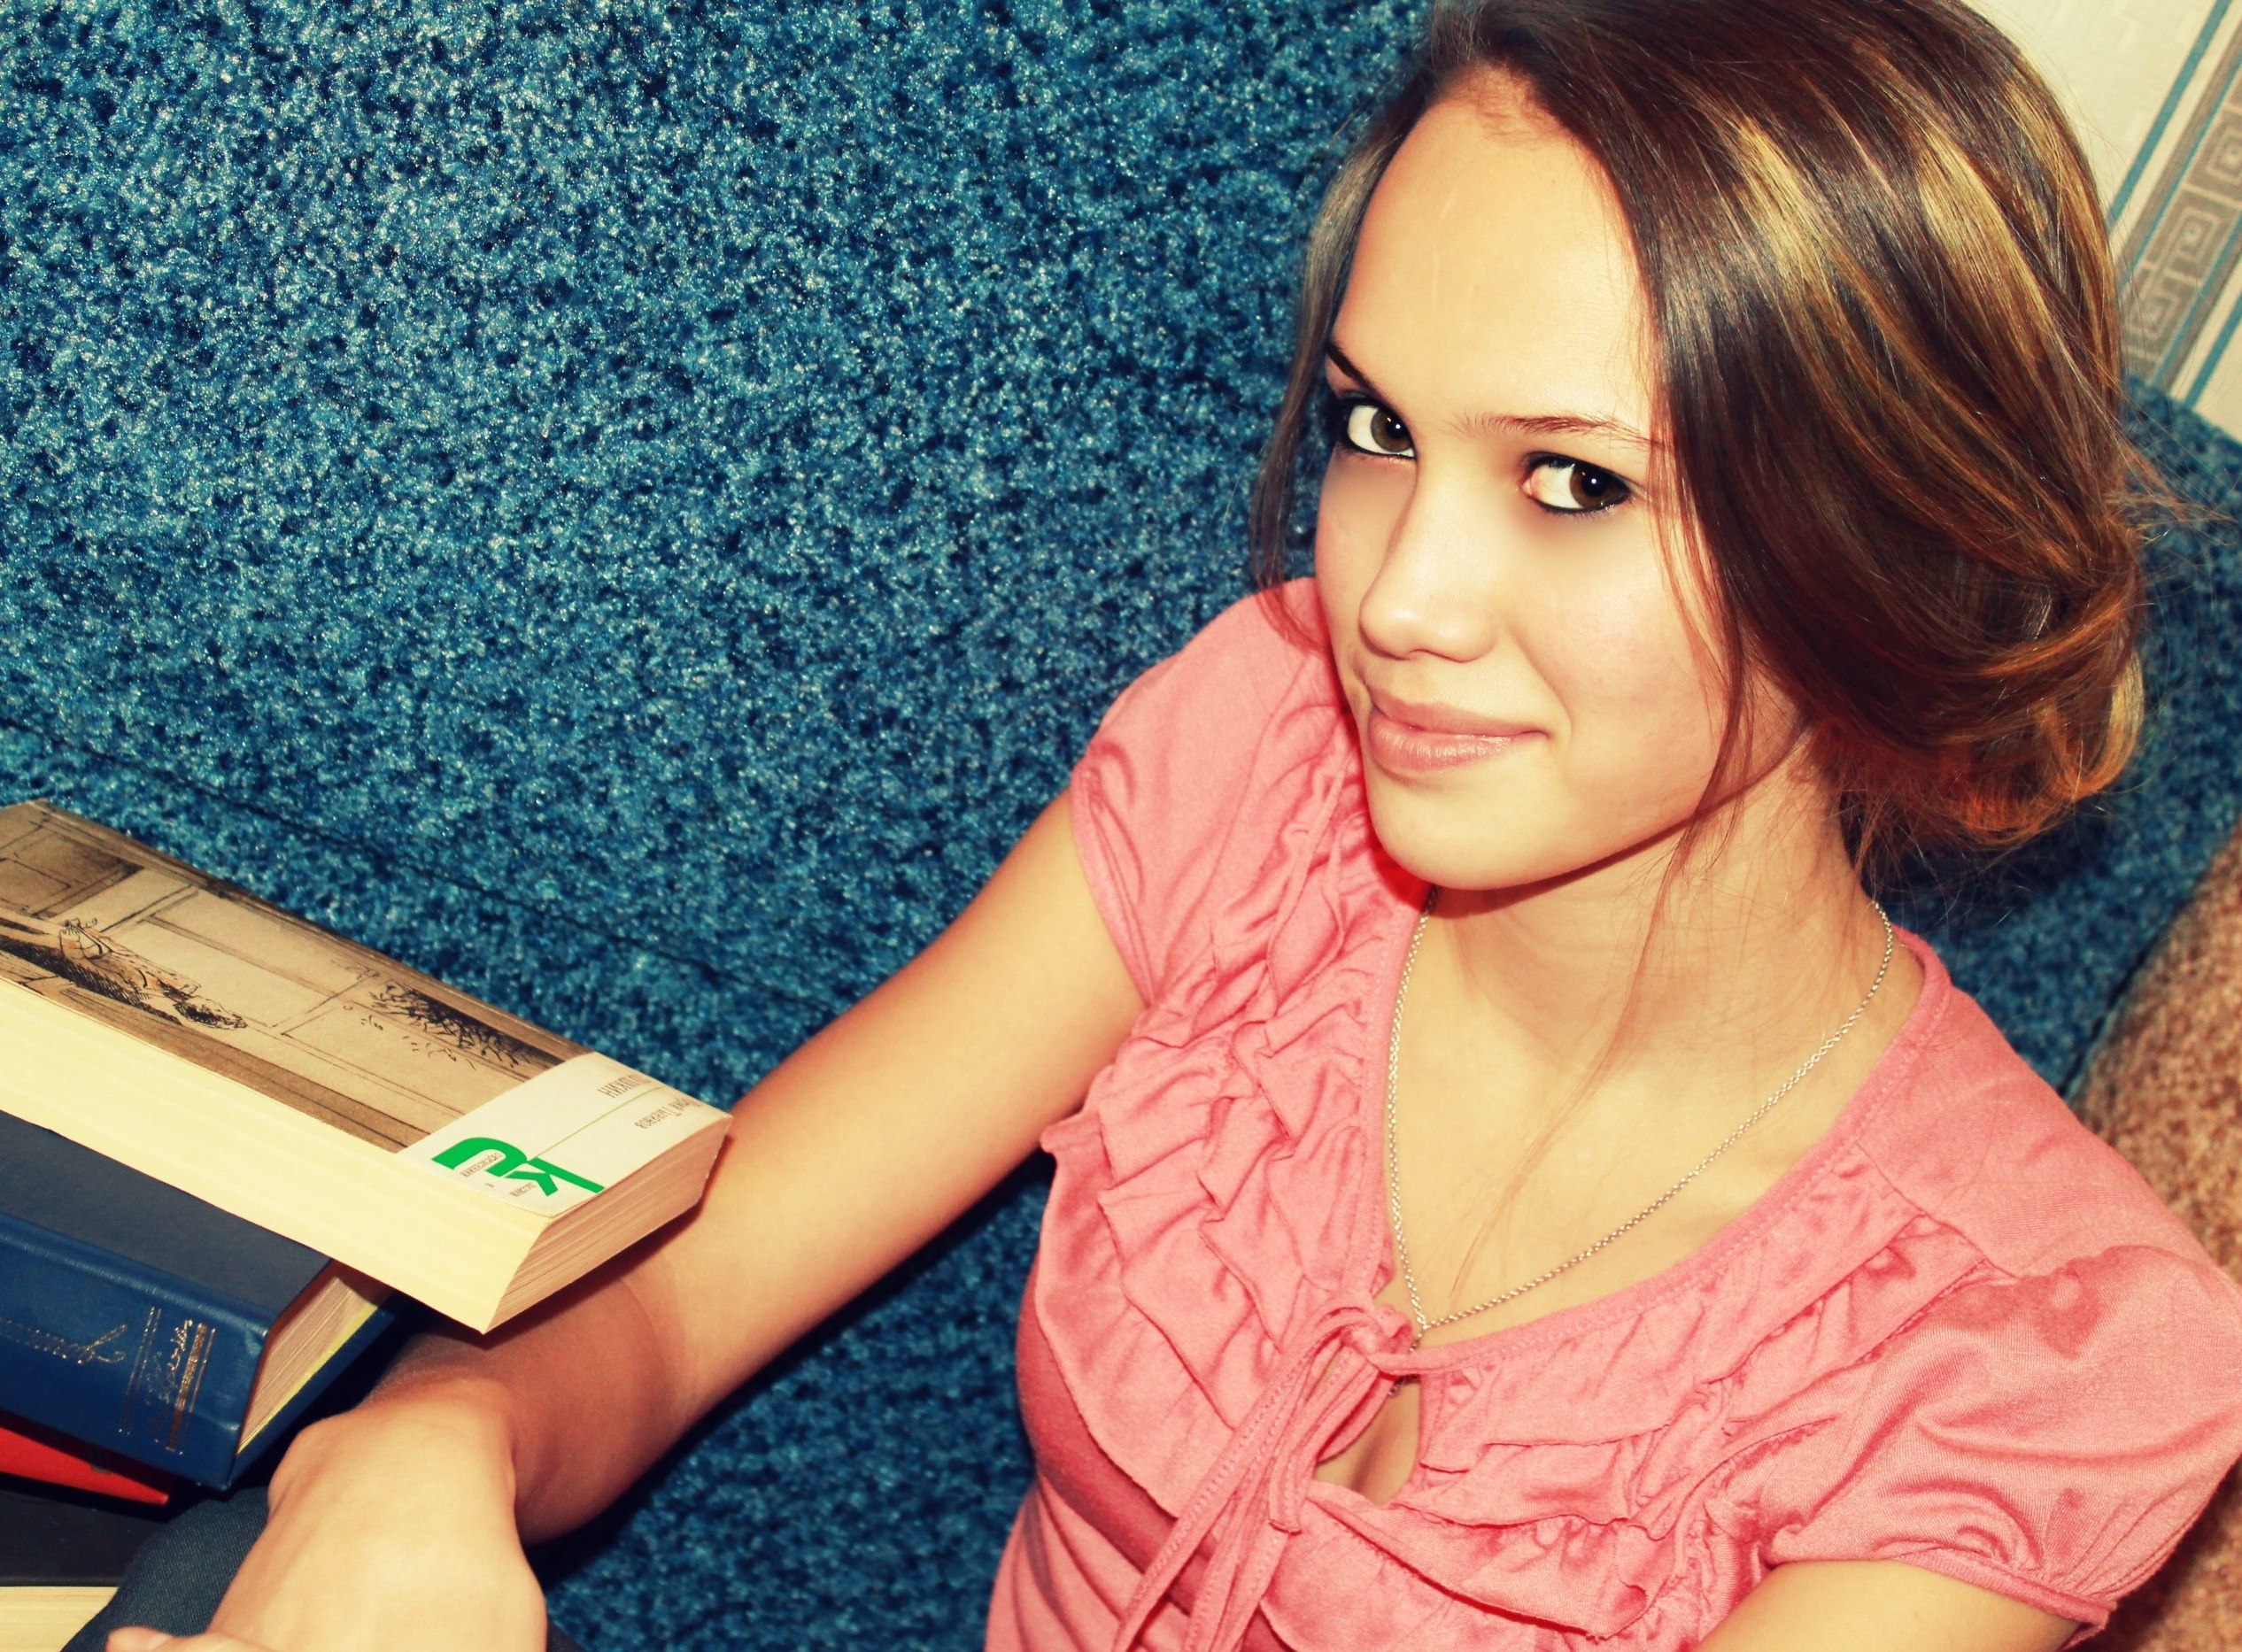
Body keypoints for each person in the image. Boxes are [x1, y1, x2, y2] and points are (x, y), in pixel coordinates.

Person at [98, 1, 2242, 1648]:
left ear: (1891, 534)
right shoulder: (1265, 760)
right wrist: (440, 1446)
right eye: (1377, 429)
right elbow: (691, 1285)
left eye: (1574, 481)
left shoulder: (2025, 1347)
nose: (1394, 595)